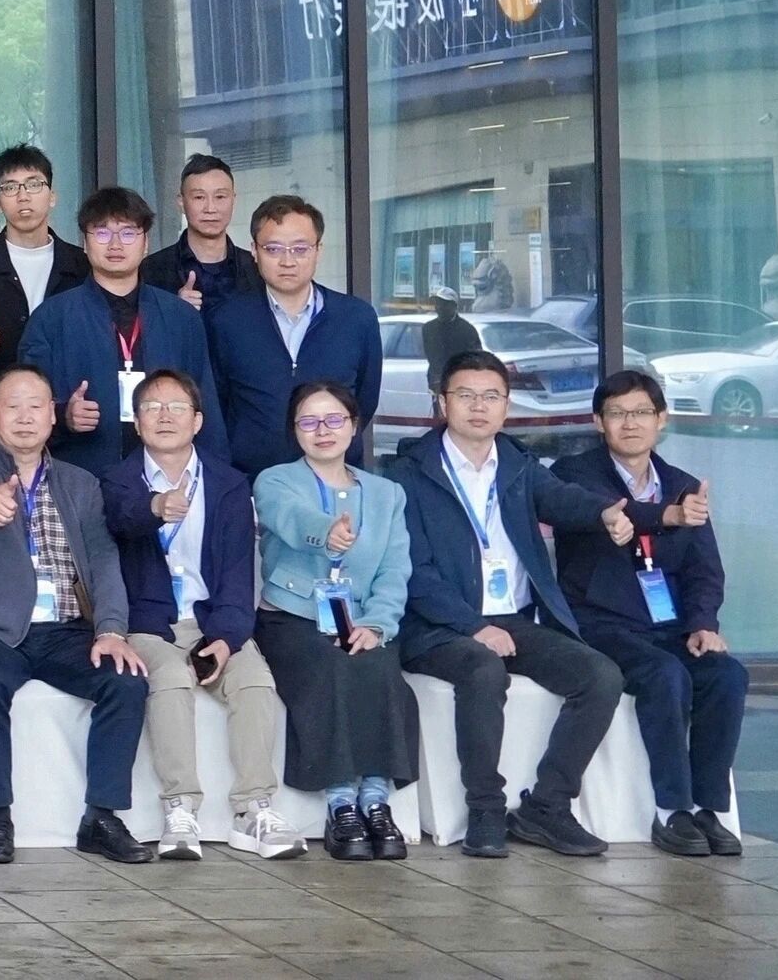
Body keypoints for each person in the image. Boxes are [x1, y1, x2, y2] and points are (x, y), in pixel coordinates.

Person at [386, 350, 632, 858]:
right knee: (483, 669)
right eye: (465, 395)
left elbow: (561, 498)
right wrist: (473, 626)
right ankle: (485, 808)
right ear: (442, 403)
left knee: (601, 675)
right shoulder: (408, 473)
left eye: (491, 396)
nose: (479, 406)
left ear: (506, 406)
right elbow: (414, 571)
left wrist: (604, 512)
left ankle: (548, 806)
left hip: (513, 619)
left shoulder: (518, 465)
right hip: (437, 626)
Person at [0, 367, 154, 865]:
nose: (24, 417)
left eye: (35, 406)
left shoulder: (80, 483)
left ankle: (102, 816)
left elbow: (103, 560)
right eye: (12, 406)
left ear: (53, 416)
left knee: (126, 681)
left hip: (65, 629)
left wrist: (111, 630)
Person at [548, 371, 745, 857]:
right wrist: (667, 516)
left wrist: (703, 624)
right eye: (616, 413)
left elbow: (704, 570)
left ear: (662, 419)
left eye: (640, 412)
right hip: (599, 623)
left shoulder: (682, 485)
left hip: (668, 625)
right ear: (598, 422)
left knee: (727, 675)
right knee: (664, 674)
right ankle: (671, 810)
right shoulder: (574, 474)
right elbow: (614, 510)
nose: (629, 423)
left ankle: (709, 809)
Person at [109, 369, 300, 860]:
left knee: (254, 680)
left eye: (177, 407)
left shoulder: (229, 484)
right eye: (151, 407)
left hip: (212, 621)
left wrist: (227, 638)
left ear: (197, 421)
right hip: (148, 625)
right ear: (136, 422)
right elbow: (121, 520)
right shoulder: (116, 481)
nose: (164, 416)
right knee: (171, 678)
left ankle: (254, 809)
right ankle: (180, 808)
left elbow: (238, 572)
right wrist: (155, 508)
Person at [253, 383, 418, 861]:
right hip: (293, 618)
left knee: (379, 665)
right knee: (332, 665)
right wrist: (327, 532)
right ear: (294, 430)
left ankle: (375, 799)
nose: (322, 431)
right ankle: (341, 802)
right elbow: (290, 517)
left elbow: (394, 569)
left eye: (334, 420)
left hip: (359, 618)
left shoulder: (387, 494)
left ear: (354, 425)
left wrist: (378, 623)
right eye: (309, 421)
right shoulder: (275, 480)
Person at [17, 187, 220, 477]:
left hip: (168, 476)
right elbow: (24, 405)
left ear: (146, 243)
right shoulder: (51, 317)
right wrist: (63, 416)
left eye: (128, 233)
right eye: (101, 233)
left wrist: (217, 481)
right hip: (79, 477)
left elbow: (206, 407)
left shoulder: (181, 318)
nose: (115, 244)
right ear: (84, 243)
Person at [207, 196, 382, 475]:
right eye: (273, 249)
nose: (287, 261)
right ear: (254, 251)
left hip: (336, 478)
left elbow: (364, 400)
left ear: (318, 250)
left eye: (300, 249)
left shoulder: (357, 318)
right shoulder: (226, 320)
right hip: (251, 481)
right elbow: (216, 403)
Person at [0, 146, 81, 357]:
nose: (23, 196)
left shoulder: (81, 265)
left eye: (34, 185)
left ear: (52, 196)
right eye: (10, 187)